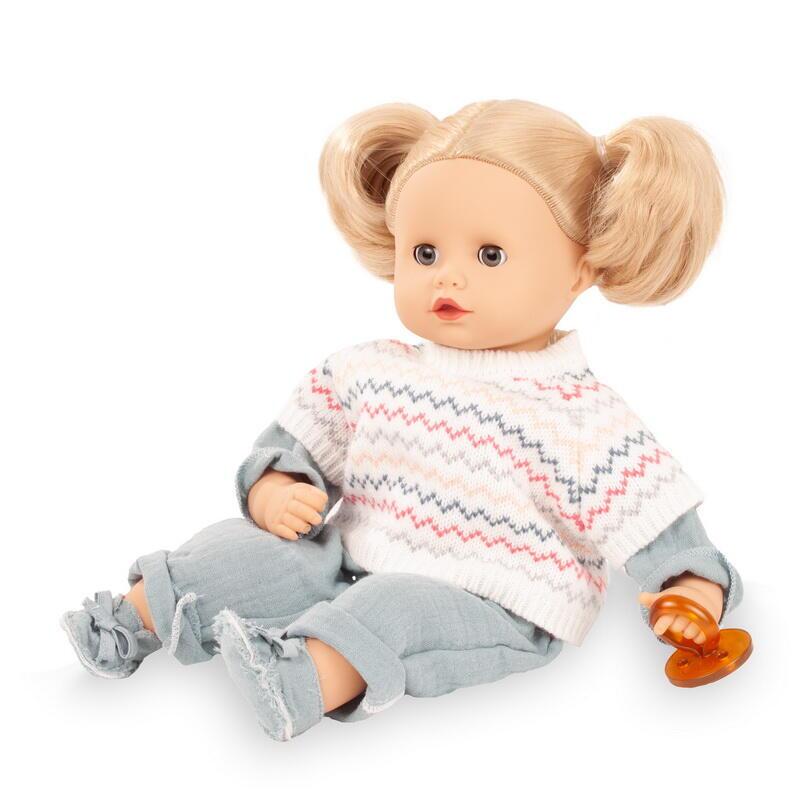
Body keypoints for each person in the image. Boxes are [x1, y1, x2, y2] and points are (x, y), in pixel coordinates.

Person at [61, 99, 743, 741]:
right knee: (235, 550)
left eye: (490, 255)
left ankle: (295, 681)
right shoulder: (368, 370)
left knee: (392, 611)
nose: (448, 278)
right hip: (351, 556)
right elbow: (290, 451)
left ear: (580, 270)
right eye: (425, 253)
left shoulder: (584, 418)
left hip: (490, 598)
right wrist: (275, 491)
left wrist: (692, 594)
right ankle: (124, 625)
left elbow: (666, 533)